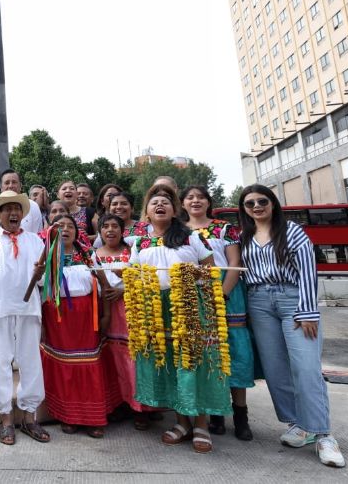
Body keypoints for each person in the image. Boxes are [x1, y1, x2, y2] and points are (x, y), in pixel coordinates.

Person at [238, 184, 345, 468]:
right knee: (275, 369)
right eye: (250, 203)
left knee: (306, 367)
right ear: (244, 209)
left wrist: (308, 311)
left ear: (272, 203)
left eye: (262, 201)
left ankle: (323, 434)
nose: (257, 206)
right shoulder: (244, 236)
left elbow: (309, 270)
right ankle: (299, 424)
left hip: (292, 300)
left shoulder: (292, 231)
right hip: (258, 303)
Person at [129, 184, 227, 454]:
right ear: (147, 213)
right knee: (170, 362)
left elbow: (210, 270)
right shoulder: (140, 242)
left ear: (175, 211)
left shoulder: (190, 237)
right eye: (153, 202)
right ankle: (182, 422)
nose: (159, 205)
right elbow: (134, 274)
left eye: (165, 202)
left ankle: (201, 425)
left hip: (189, 304)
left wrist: (191, 279)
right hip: (155, 309)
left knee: (193, 360)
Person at [0, 191, 50, 445]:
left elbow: (46, 280)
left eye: (17, 208)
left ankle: (29, 417)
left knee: (30, 362)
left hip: (28, 308)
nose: (13, 213)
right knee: (1, 363)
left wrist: (42, 274)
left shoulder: (36, 241)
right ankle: (5, 417)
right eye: (7, 209)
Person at [181, 185, 255, 441]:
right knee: (206, 352)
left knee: (234, 350)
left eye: (200, 197)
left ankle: (241, 415)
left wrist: (222, 293)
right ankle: (215, 413)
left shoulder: (224, 227)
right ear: (182, 204)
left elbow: (235, 263)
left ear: (208, 202)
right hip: (194, 292)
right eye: (190, 197)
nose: (195, 201)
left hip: (227, 289)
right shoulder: (178, 230)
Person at [40, 215, 119, 438]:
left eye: (69, 226)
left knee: (89, 363)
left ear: (77, 231)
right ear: (51, 231)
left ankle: (93, 417)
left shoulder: (87, 253)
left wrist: (106, 316)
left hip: (87, 317)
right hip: (58, 318)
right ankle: (68, 416)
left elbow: (104, 285)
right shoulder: (46, 255)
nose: (65, 229)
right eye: (59, 226)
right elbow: (39, 289)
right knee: (64, 364)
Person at [92, 213, 157, 430]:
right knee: (112, 359)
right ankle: (118, 403)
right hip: (105, 311)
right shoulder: (92, 254)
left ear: (123, 231)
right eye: (105, 226)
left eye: (115, 226)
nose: (110, 230)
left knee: (135, 359)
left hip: (132, 311)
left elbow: (147, 276)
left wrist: (123, 289)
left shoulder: (133, 251)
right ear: (100, 231)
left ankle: (141, 407)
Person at [0, 170, 43, 234]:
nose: (10, 186)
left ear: (20, 186)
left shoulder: (33, 206)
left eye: (14, 182)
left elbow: (38, 235)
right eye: (7, 183)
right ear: (1, 187)